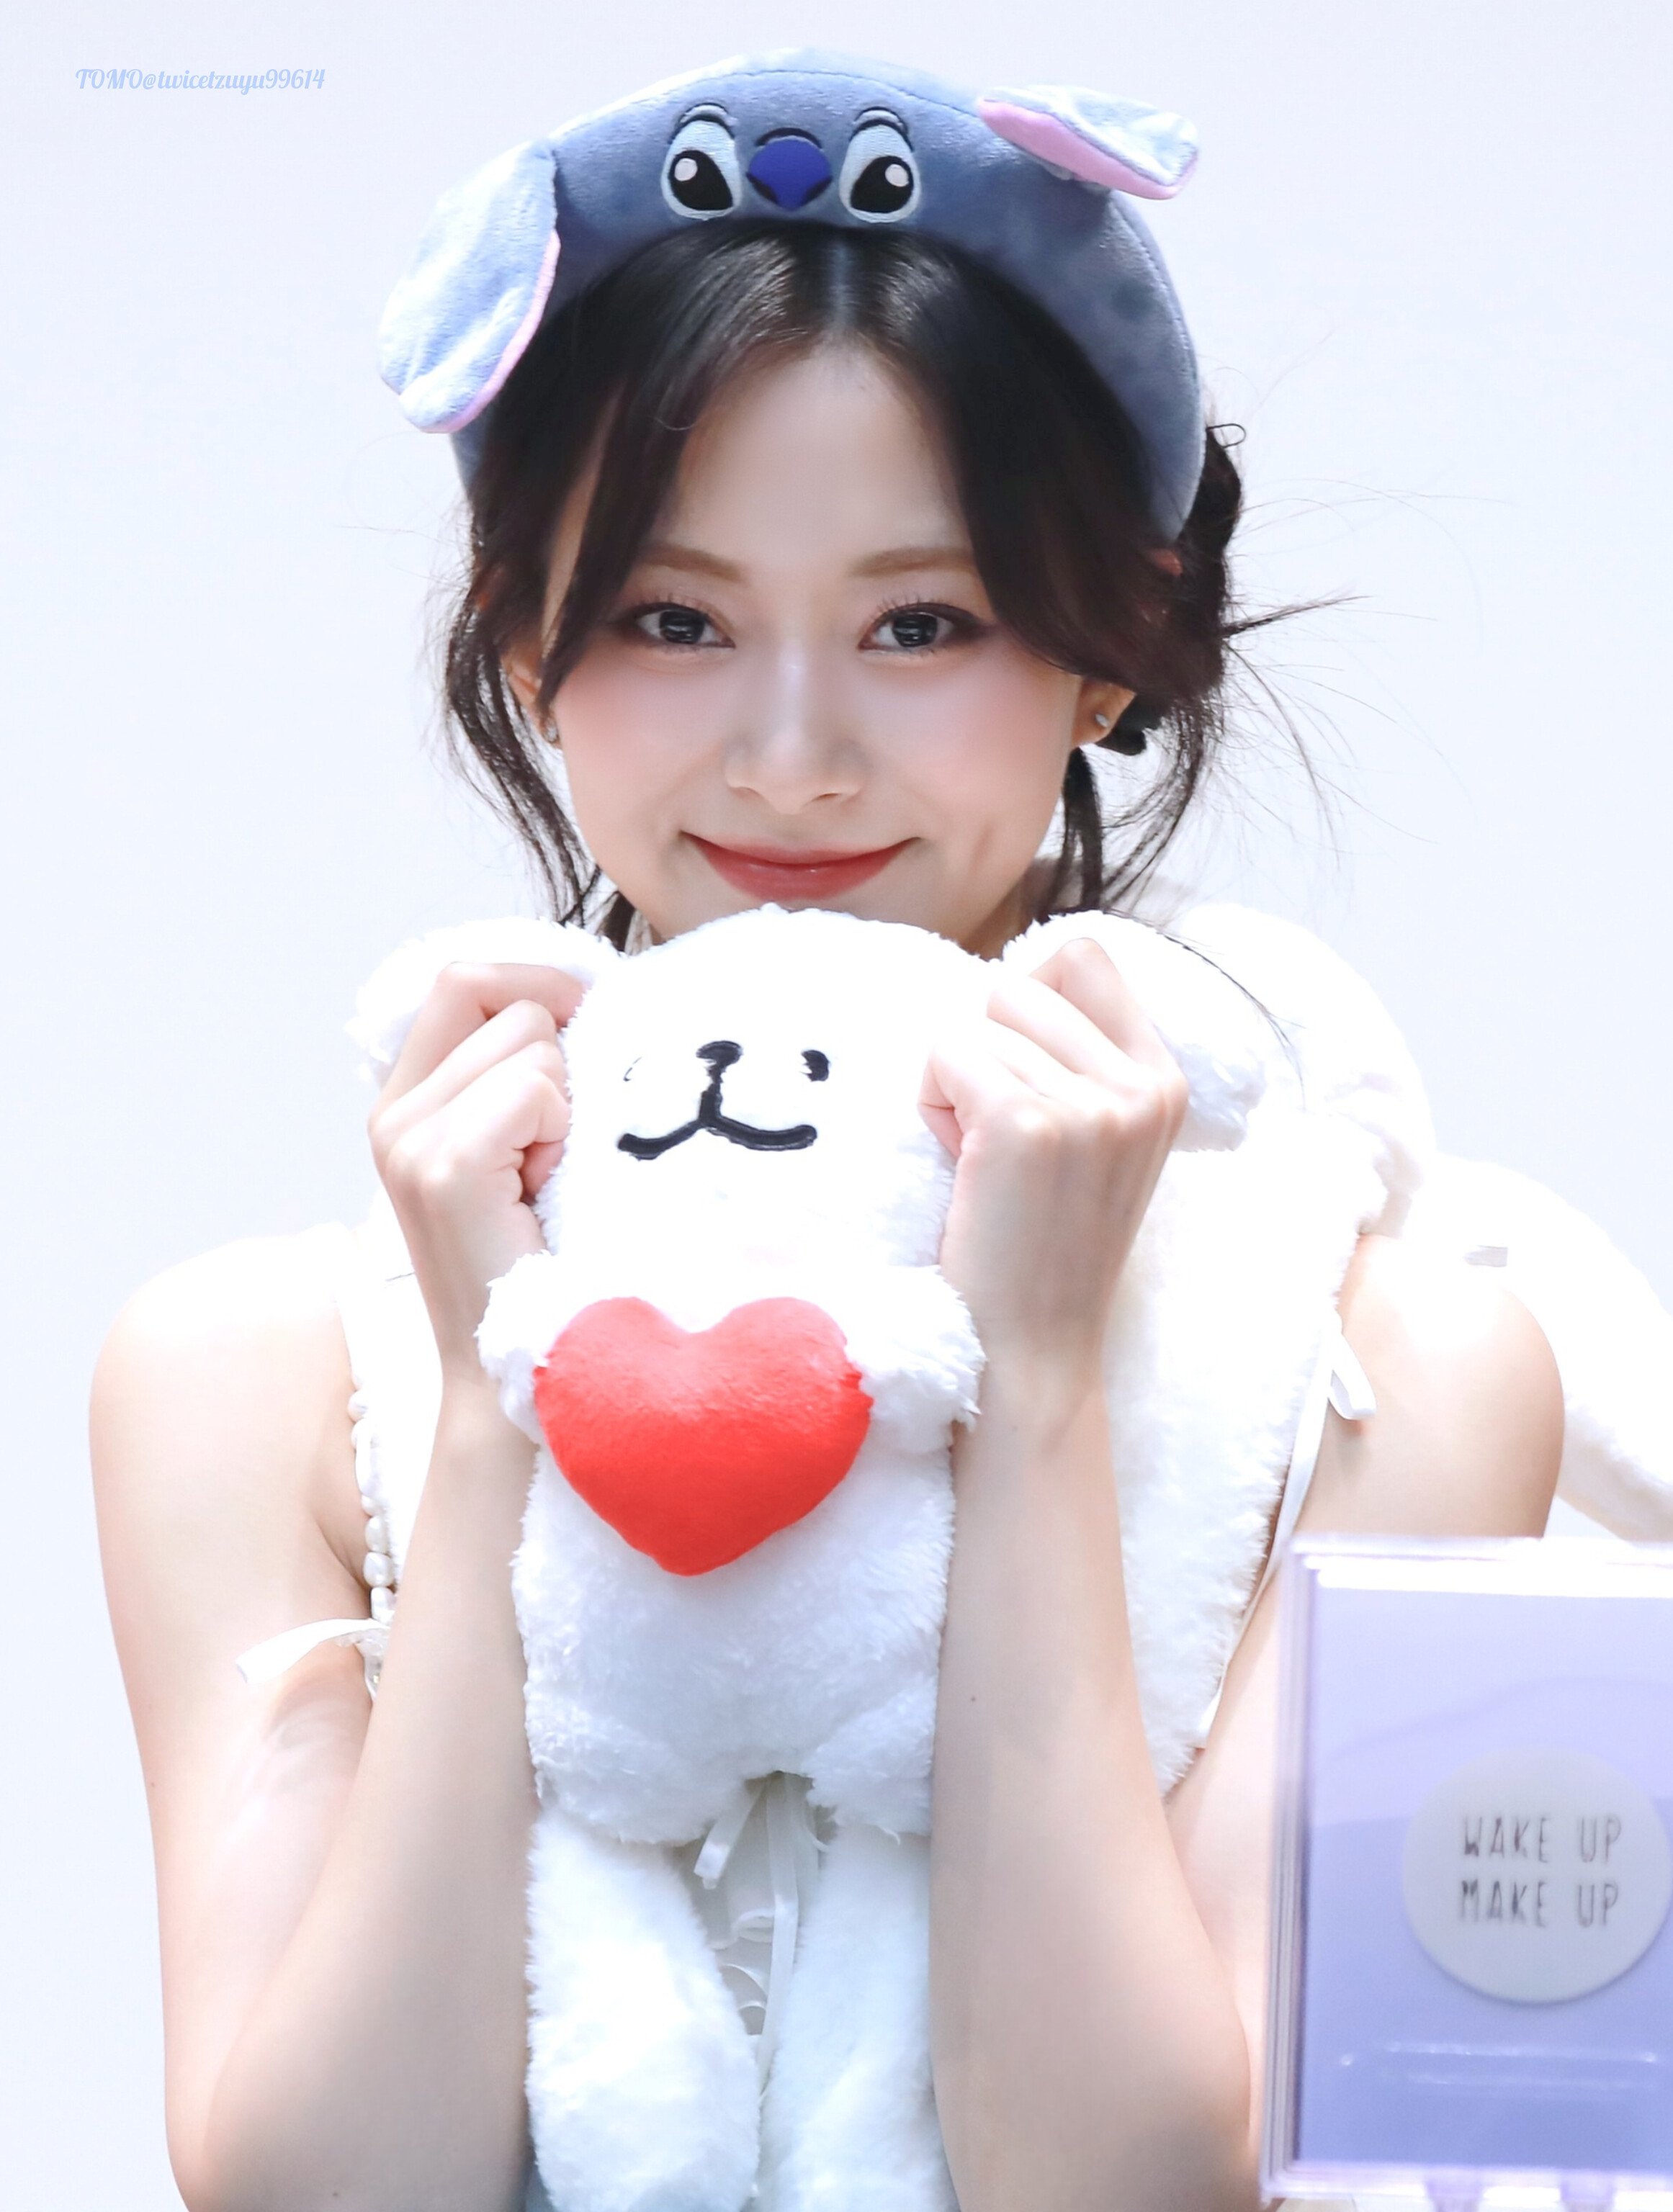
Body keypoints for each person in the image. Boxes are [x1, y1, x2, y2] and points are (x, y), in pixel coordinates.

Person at [90, 53, 1565, 2212]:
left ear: (1106, 650)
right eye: (673, 621)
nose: (791, 756)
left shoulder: (1390, 1375)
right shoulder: (255, 1377)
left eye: (920, 624)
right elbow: (325, 2185)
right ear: (526, 644)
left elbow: (1133, 2186)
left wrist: (1032, 1383)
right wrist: (502, 1393)